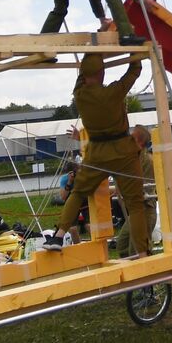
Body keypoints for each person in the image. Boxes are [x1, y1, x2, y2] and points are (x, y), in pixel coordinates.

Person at [45, 53, 148, 254]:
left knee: (78, 192)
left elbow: (80, 79)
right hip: (122, 150)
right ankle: (143, 251)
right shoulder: (114, 91)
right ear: (102, 73)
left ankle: (58, 236)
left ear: (83, 74)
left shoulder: (79, 95)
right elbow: (135, 70)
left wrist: (91, 51)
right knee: (135, 204)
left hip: (96, 152)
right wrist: (132, 52)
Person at [114, 125, 157, 257]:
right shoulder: (131, 157)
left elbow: (145, 188)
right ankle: (132, 275)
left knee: (138, 250)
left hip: (144, 210)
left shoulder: (147, 161)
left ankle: (148, 275)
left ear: (139, 141)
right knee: (122, 246)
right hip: (134, 212)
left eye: (132, 136)